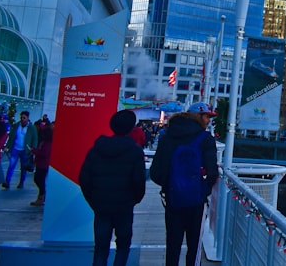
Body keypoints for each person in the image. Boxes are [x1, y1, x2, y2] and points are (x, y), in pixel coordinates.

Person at [150, 102, 219, 266]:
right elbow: (212, 171)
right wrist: (203, 190)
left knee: (173, 243)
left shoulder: (166, 136)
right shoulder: (205, 138)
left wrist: (170, 185)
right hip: (197, 200)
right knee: (194, 245)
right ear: (197, 116)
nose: (208, 120)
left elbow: (155, 172)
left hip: (173, 198)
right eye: (207, 116)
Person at [79, 110, 146, 266]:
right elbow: (139, 180)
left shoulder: (97, 149)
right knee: (123, 246)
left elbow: (84, 178)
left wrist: (93, 199)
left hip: (101, 204)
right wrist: (135, 199)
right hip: (124, 205)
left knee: (101, 248)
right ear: (131, 128)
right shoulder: (135, 151)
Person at [3, 110, 38, 189]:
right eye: (21, 117)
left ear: (28, 118)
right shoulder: (16, 126)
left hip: (25, 150)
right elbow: (11, 137)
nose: (22, 119)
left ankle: (21, 182)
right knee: (11, 165)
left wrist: (33, 149)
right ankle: (7, 182)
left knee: (23, 167)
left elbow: (35, 139)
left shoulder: (32, 128)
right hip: (15, 149)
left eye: (24, 118)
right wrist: (7, 146)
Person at [30, 118, 54, 206]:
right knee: (39, 180)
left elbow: (44, 153)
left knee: (39, 179)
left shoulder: (47, 144)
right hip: (42, 163)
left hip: (43, 164)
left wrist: (34, 151)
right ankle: (43, 195)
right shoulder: (46, 142)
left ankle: (42, 196)